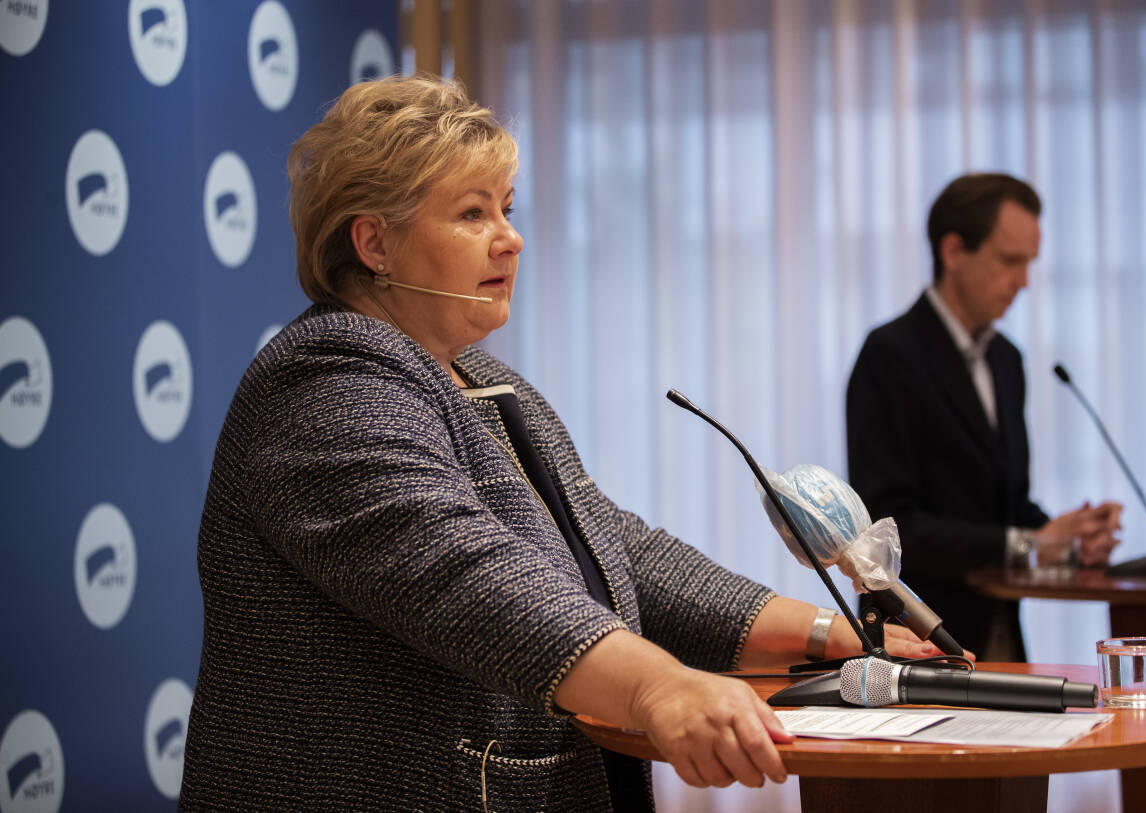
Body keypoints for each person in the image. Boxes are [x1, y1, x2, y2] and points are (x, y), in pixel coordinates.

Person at [179, 75, 941, 812]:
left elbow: (612, 548)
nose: (510, 238)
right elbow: (464, 571)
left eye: (506, 209)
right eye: (473, 214)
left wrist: (826, 633)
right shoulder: (325, 384)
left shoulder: (478, 378)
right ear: (375, 242)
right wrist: (657, 686)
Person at [844, 173, 1122, 662]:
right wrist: (1028, 542)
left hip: (1000, 629)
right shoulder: (889, 355)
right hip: (914, 640)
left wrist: (1067, 539)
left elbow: (1004, 506)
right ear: (953, 252)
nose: (1024, 281)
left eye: (1029, 263)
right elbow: (889, 527)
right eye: (1010, 261)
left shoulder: (1006, 361)